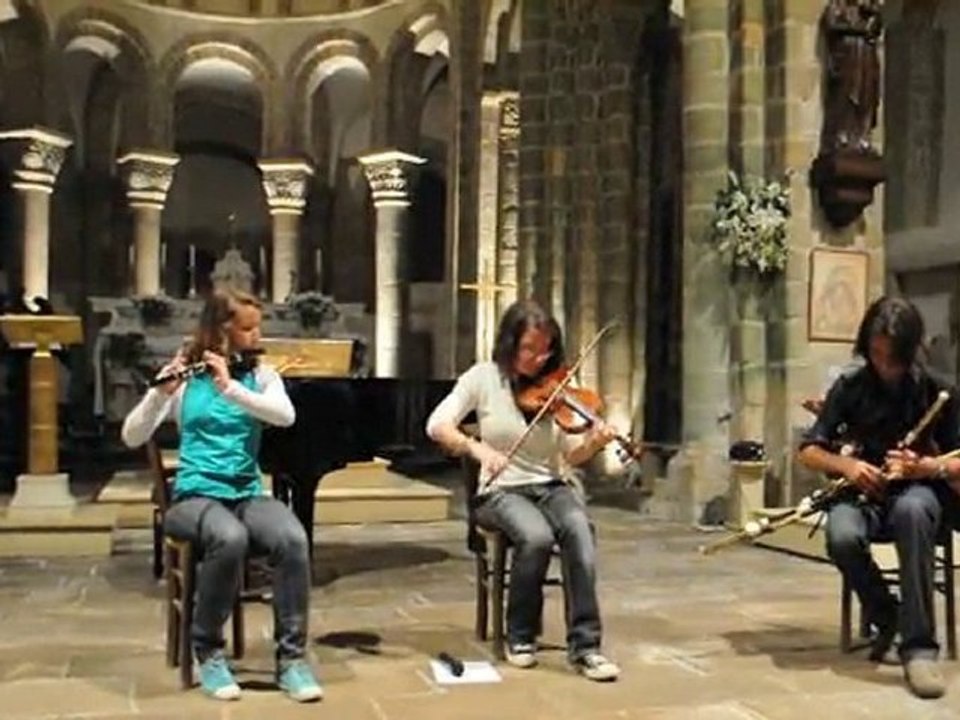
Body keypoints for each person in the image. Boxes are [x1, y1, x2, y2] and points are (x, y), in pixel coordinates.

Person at [121, 289, 322, 703]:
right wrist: (160, 393)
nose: (257, 334)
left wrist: (231, 388)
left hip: (245, 492)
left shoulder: (262, 377)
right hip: (192, 498)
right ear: (221, 330)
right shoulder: (185, 380)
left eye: (256, 325)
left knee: (292, 539)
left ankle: (292, 660)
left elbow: (284, 416)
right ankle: (208, 649)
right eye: (247, 327)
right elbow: (131, 436)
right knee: (229, 538)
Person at [426, 299, 621, 681]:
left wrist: (595, 444)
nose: (538, 359)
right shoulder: (482, 378)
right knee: (536, 536)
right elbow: (437, 425)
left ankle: (586, 647)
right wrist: (477, 448)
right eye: (529, 348)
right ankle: (520, 634)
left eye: (545, 349)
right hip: (499, 491)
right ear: (509, 342)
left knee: (580, 531)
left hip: (550, 485)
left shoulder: (561, 386)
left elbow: (572, 455)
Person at [797, 295, 960, 700]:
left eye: (893, 356)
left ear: (910, 351)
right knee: (842, 534)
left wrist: (924, 467)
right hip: (862, 495)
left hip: (919, 493)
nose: (884, 364)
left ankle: (920, 647)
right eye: (876, 353)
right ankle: (889, 617)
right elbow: (809, 450)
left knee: (913, 510)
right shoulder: (851, 386)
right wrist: (848, 467)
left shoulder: (939, 391)